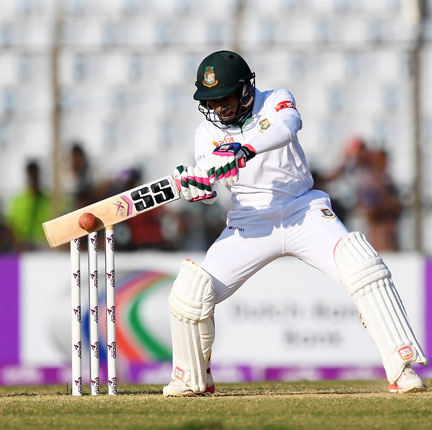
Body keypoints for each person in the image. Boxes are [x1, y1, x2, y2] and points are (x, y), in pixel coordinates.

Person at [164, 51, 427, 397]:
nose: (219, 108)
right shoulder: (205, 132)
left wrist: (244, 148)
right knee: (190, 293)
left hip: (303, 211)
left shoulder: (276, 100)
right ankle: (192, 379)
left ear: (245, 89)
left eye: (225, 97)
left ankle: (402, 368)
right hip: (249, 222)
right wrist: (200, 192)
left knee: (361, 265)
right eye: (211, 101)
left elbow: (287, 128)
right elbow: (211, 183)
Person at [5, 160, 52, 250]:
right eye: (31, 178)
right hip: (21, 245)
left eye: (35, 178)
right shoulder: (17, 201)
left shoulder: (48, 201)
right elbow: (10, 226)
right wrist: (18, 242)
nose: (33, 181)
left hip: (44, 244)